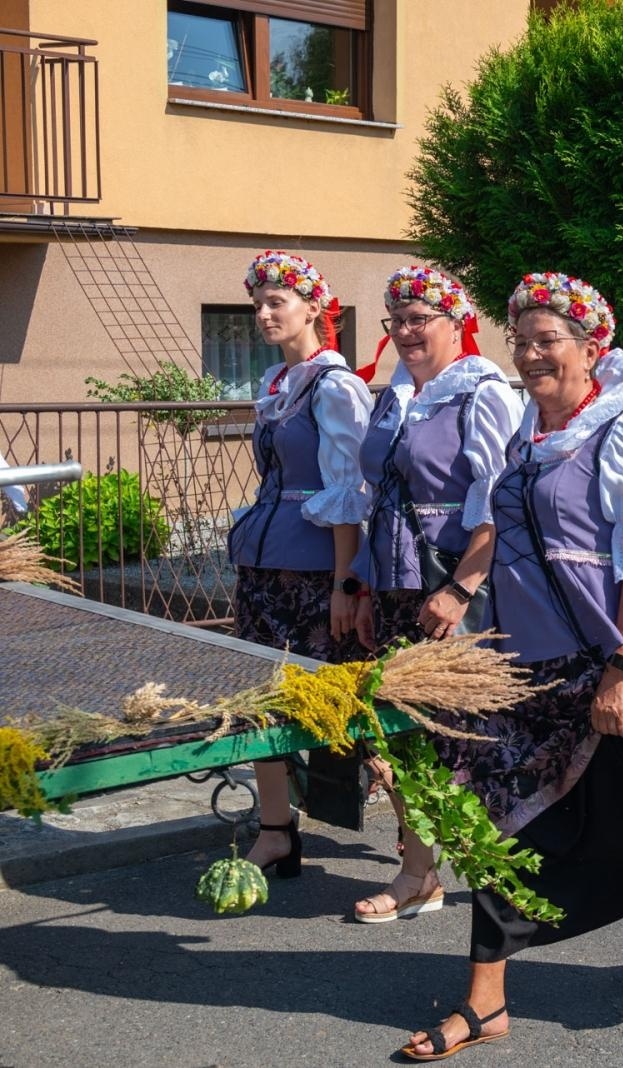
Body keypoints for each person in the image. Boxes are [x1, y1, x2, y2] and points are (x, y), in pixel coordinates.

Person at [403, 272, 623, 1060]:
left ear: (591, 350)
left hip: (609, 668)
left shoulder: (622, 436)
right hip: (528, 673)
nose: (530, 355)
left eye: (547, 340)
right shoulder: (523, 437)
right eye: (521, 341)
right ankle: (485, 1002)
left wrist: (621, 669)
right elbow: (494, 528)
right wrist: (461, 590)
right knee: (502, 824)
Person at [349, 265, 522, 923]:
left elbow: (500, 502)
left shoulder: (481, 394)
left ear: (455, 324)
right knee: (403, 734)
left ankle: (496, 866)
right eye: (397, 320)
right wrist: (363, 585)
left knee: (461, 735)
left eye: (419, 319)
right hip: (395, 583)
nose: (405, 331)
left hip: (450, 585)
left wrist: (460, 588)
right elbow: (377, 497)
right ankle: (420, 874)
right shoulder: (396, 396)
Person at [226, 250, 372, 876]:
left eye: (276, 302)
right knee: (261, 697)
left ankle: (419, 838)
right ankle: (276, 828)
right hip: (264, 566)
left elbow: (350, 492)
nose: (264, 314)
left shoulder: (335, 387)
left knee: (343, 702)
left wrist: (346, 584)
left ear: (313, 308)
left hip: (315, 572)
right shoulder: (277, 384)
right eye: (257, 304)